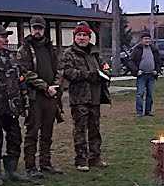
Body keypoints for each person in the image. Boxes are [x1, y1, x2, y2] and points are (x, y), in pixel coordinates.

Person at [0, 24, 31, 185]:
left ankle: (12, 170)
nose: (6, 39)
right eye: (2, 36)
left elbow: (21, 80)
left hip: (12, 107)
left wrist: (23, 103)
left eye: (6, 36)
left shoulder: (12, 58)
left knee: (15, 138)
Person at [59, 24, 110, 172]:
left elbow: (104, 67)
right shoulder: (68, 53)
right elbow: (68, 72)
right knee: (80, 130)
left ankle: (95, 157)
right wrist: (87, 74)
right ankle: (81, 160)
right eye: (79, 35)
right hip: (79, 98)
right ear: (75, 37)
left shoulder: (95, 53)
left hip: (95, 97)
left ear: (89, 37)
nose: (82, 38)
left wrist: (105, 72)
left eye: (85, 35)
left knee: (95, 129)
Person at [19, 15, 63, 177]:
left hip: (51, 96)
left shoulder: (49, 48)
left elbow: (58, 68)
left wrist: (56, 85)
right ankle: (30, 166)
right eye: (34, 28)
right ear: (30, 29)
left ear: (44, 29)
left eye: (40, 28)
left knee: (47, 131)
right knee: (32, 131)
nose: (37, 31)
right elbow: (25, 72)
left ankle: (46, 163)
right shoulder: (24, 49)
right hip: (34, 97)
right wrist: (45, 87)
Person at [126, 31, 163, 117]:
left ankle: (148, 111)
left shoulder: (154, 50)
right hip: (141, 75)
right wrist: (136, 71)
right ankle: (139, 112)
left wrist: (156, 71)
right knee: (140, 93)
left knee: (150, 94)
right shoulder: (137, 49)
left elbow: (159, 61)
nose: (147, 41)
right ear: (141, 40)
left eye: (148, 39)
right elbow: (131, 61)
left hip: (151, 75)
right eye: (145, 39)